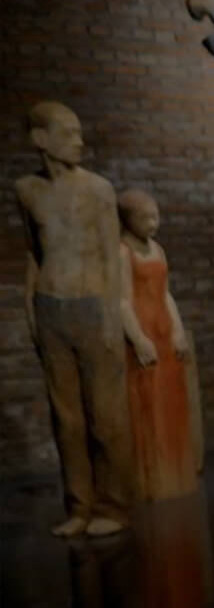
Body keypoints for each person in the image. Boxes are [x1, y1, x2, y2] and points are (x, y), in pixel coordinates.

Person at [15, 101, 136, 536]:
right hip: (51, 307)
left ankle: (113, 506)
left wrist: (111, 318)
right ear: (40, 139)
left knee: (106, 417)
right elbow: (34, 253)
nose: (79, 141)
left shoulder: (98, 190)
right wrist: (30, 309)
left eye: (79, 132)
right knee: (66, 419)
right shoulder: (27, 190)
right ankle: (79, 506)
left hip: (92, 307)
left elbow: (111, 259)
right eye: (68, 133)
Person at [118, 189, 203, 499]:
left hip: (164, 330)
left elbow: (166, 293)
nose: (153, 224)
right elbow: (122, 300)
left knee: (171, 403)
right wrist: (138, 338)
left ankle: (177, 474)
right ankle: (155, 480)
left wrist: (177, 330)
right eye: (146, 218)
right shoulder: (122, 252)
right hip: (143, 331)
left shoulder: (157, 249)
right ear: (129, 220)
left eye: (155, 217)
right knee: (148, 405)